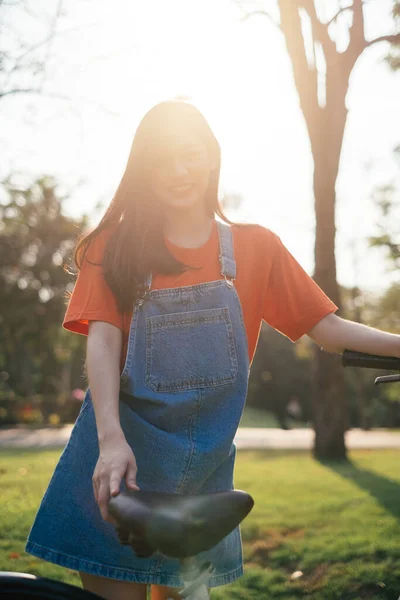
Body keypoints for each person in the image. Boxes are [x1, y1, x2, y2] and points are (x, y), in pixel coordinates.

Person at [25, 99, 400, 600]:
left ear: (211, 155)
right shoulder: (114, 247)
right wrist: (111, 439)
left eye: (189, 154)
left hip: (202, 473)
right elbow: (103, 340)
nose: (178, 171)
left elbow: (326, 328)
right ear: (144, 170)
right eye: (162, 161)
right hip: (119, 460)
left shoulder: (255, 248)